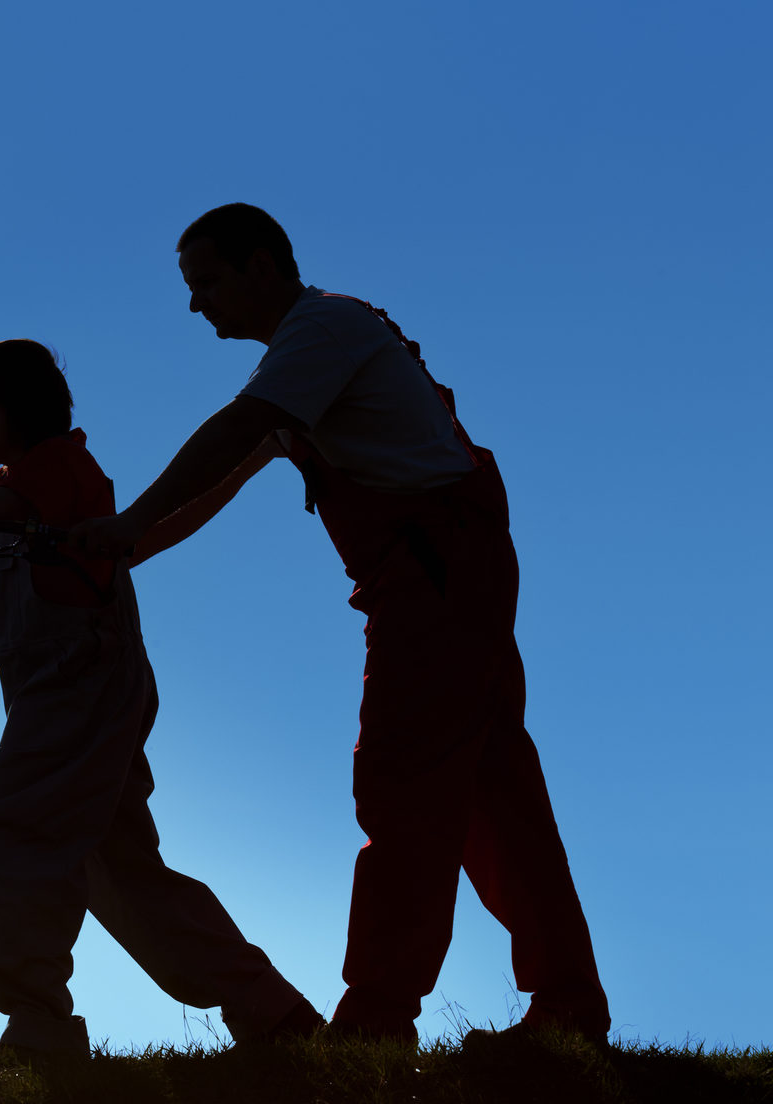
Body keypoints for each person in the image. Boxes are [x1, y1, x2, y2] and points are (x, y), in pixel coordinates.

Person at [72, 204, 610, 1044]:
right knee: (493, 795)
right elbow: (224, 480)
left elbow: (235, 432)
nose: (194, 305)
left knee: (400, 784)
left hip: (433, 580)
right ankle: (567, 1007)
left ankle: (376, 1023)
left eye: (206, 282)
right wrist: (123, 552)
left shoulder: (321, 328)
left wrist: (126, 521)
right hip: (449, 575)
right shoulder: (310, 360)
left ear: (261, 267)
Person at [0, 338, 319, 1060]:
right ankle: (270, 1011)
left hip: (80, 684)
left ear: (16, 410)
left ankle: (40, 1022)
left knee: (6, 826)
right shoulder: (18, 497)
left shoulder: (55, 466)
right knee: (119, 868)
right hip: (75, 692)